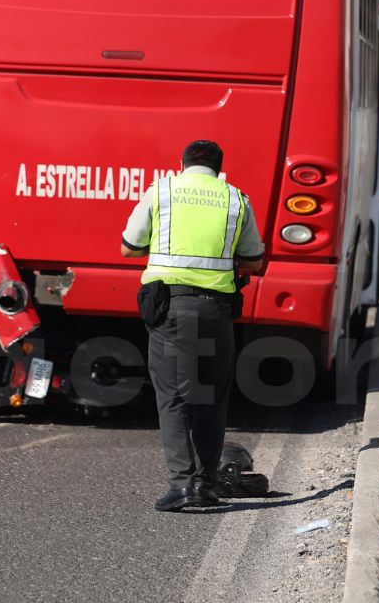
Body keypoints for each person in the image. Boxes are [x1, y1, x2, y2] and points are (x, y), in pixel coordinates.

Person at [121, 140, 265, 511]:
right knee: (210, 398)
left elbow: (128, 247)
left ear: (181, 163)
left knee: (173, 398)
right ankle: (206, 482)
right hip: (217, 310)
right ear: (219, 168)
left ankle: (182, 486)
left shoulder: (162, 191)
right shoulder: (236, 199)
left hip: (173, 308)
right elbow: (253, 260)